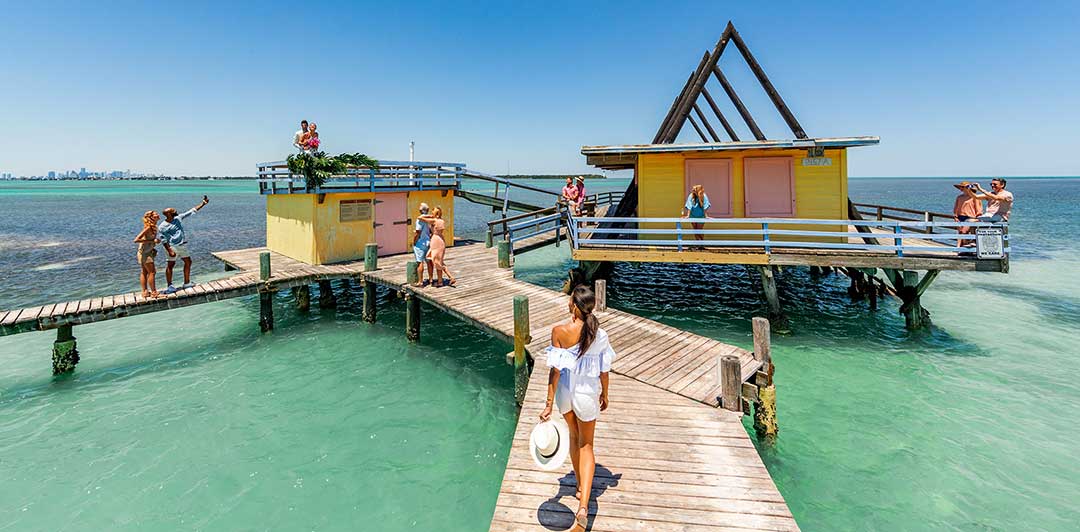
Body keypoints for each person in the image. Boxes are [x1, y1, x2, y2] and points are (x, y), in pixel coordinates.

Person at [539, 285, 615, 531]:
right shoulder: (598, 334)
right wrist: (605, 393)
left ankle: (581, 484)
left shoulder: (559, 331)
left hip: (565, 394)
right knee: (587, 445)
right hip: (586, 393)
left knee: (573, 436)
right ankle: (583, 507)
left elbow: (555, 371)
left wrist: (548, 404)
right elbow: (604, 370)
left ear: (574, 305)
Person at [159, 195, 210, 294]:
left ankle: (186, 283)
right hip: (172, 247)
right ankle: (170, 286)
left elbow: (192, 210)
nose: (175, 211)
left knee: (188, 262)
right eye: (173, 210)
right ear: (168, 214)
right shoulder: (162, 226)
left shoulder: (178, 218)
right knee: (170, 265)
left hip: (182, 245)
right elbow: (163, 240)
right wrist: (169, 250)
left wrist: (203, 203)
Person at [423, 206, 456, 287]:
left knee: (436, 261)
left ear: (436, 214)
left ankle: (451, 277)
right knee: (438, 261)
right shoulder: (442, 221)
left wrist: (429, 216)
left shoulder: (434, 220)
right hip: (441, 240)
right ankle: (440, 281)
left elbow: (420, 218)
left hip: (435, 240)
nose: (431, 213)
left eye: (433, 212)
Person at [134, 210, 162, 299]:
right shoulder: (149, 227)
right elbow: (136, 240)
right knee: (152, 272)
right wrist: (152, 241)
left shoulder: (152, 227)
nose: (158, 215)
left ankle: (145, 292)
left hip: (144, 252)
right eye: (155, 214)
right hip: (145, 253)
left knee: (144, 272)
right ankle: (154, 293)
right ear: (151, 217)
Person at [952, 181, 982, 247]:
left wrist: (978, 218)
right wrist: (955, 217)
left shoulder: (975, 197)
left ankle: (964, 247)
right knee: (960, 232)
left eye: (963, 187)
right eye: (961, 187)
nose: (961, 188)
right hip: (960, 217)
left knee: (964, 232)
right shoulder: (959, 197)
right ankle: (959, 247)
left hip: (970, 217)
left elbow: (978, 209)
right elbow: (956, 208)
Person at [412, 203, 435, 287]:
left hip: (420, 243)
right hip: (428, 241)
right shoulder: (431, 219)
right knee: (429, 261)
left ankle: (420, 281)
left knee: (420, 262)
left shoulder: (420, 219)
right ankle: (431, 279)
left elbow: (418, 232)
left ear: (421, 210)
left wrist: (414, 241)